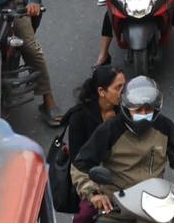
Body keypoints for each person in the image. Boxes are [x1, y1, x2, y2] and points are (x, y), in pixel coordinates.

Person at [71, 77, 174, 217]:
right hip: (117, 206)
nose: (144, 115)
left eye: (148, 109)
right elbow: (80, 166)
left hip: (157, 203)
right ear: (126, 109)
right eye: (138, 110)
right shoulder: (109, 130)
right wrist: (94, 194)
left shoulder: (164, 126)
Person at [50, 65, 126, 213]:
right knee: (84, 215)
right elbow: (78, 162)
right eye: (118, 88)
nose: (123, 93)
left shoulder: (122, 112)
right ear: (102, 91)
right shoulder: (79, 117)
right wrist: (93, 193)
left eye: (124, 87)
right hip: (90, 178)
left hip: (119, 176)